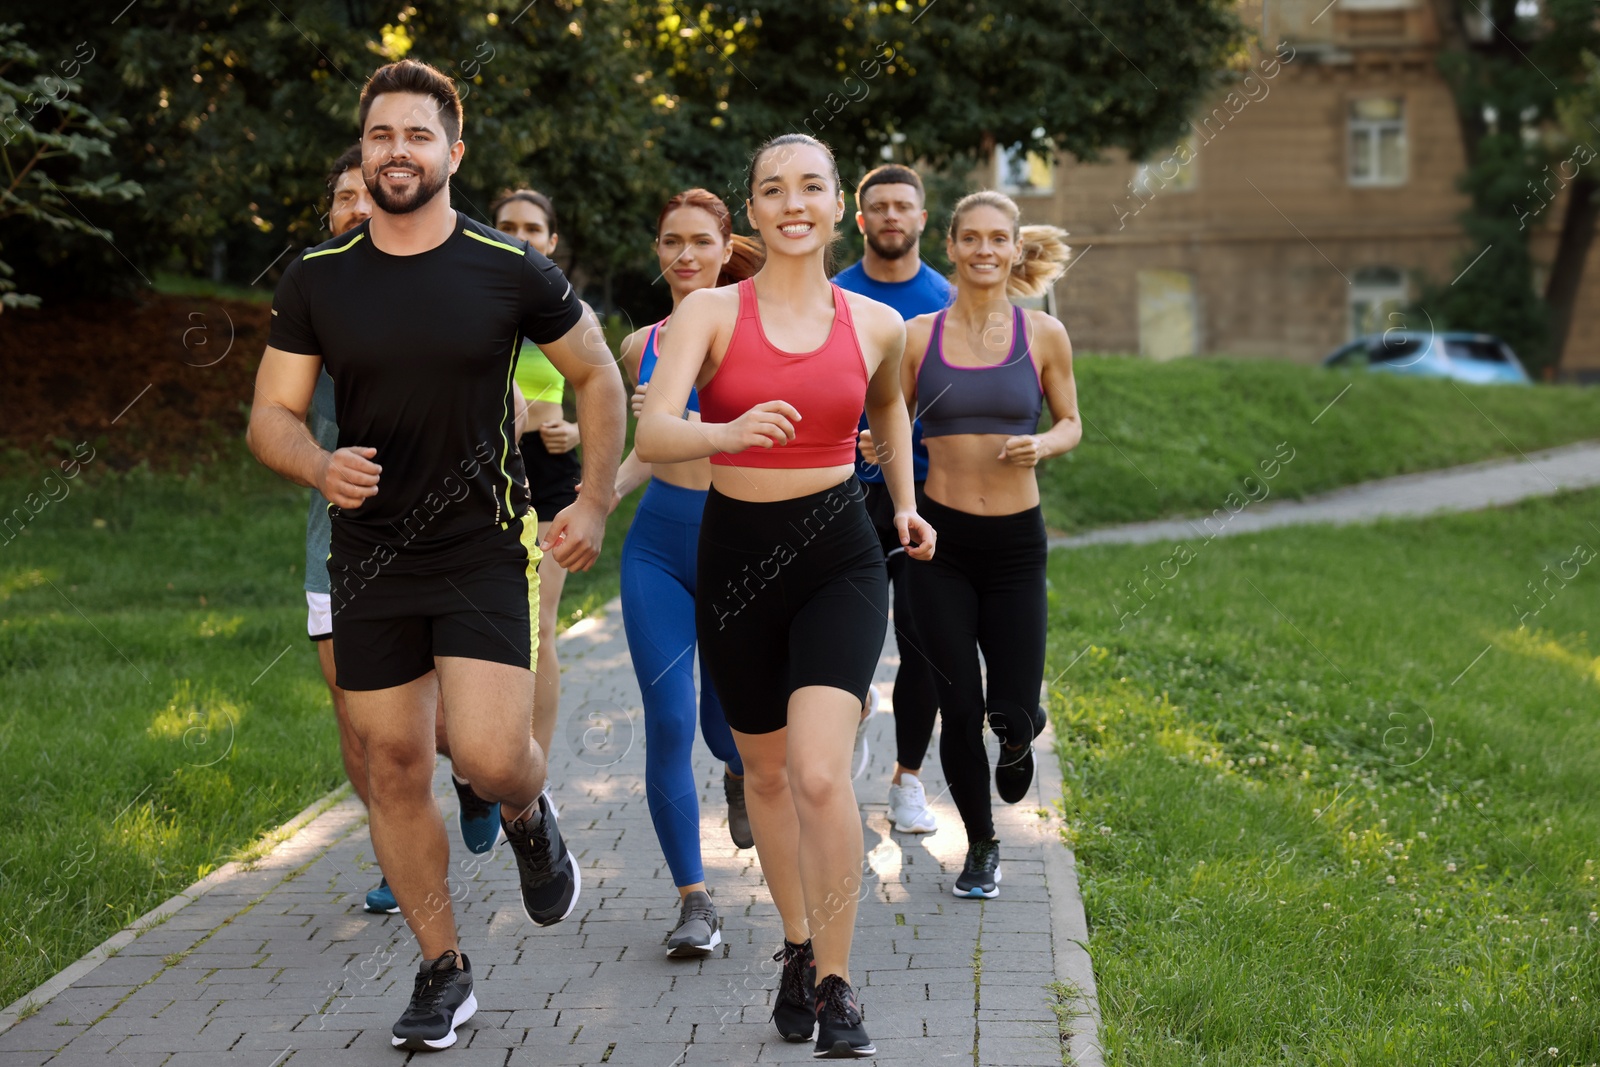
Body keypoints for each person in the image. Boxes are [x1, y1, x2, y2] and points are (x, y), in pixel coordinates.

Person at [248, 60, 626, 1052]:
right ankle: (442, 968)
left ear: (452, 153)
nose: (396, 152)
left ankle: (529, 814)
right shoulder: (318, 278)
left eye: (417, 135)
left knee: (493, 754)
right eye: (380, 136)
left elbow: (598, 373)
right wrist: (320, 465)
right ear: (363, 151)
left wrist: (592, 497)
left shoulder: (508, 265)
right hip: (368, 556)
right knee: (394, 761)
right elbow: (270, 416)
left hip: (480, 542)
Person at [637, 133, 934, 1059]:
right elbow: (654, 433)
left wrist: (907, 505)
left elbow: (887, 405)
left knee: (816, 773)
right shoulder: (712, 314)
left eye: (811, 186)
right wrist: (723, 435)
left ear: (836, 204)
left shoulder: (874, 324)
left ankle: (839, 982)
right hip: (738, 558)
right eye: (773, 189)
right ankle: (797, 946)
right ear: (754, 209)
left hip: (839, 554)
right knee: (762, 773)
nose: (791, 202)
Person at [309, 145, 509, 917]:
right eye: (343, 198)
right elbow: (281, 417)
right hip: (341, 536)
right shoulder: (313, 290)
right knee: (362, 720)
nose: (357, 208)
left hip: (452, 534)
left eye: (367, 195)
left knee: (455, 724)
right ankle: (399, 854)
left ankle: (475, 779)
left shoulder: (444, 277)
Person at [896, 190, 1078, 899]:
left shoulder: (1044, 336)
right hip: (941, 542)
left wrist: (1047, 441)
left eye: (997, 239)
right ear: (951, 245)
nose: (983, 250)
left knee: (1009, 704)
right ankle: (981, 844)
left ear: (1014, 248)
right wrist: (868, 444)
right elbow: (890, 420)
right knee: (958, 705)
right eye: (970, 238)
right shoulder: (918, 335)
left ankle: (1021, 723)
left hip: (1014, 548)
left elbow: (1072, 420)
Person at [610, 188, 764, 957]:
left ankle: (739, 770)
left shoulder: (758, 334)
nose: (685, 255)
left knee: (726, 725)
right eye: (671, 241)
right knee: (670, 719)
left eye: (700, 240)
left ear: (726, 244)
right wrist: (594, 501)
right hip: (661, 547)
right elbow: (643, 451)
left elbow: (771, 445)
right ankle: (694, 899)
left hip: (738, 546)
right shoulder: (642, 345)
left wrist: (691, 423)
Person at [833, 164, 954, 835]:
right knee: (842, 635)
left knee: (923, 639)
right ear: (860, 220)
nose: (889, 217)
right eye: (877, 207)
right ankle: (847, 717)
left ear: (921, 219)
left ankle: (908, 778)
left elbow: (968, 398)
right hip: (841, 495)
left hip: (928, 494)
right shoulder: (832, 296)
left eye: (902, 207)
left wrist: (905, 436)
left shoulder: (947, 298)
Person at [491, 189, 583, 776]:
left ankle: (535, 776)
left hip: (546, 476)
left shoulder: (562, 308)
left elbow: (599, 389)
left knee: (540, 625)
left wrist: (574, 430)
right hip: (477, 471)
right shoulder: (468, 300)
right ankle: (482, 757)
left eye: (533, 227)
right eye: (507, 225)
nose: (521, 235)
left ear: (551, 242)